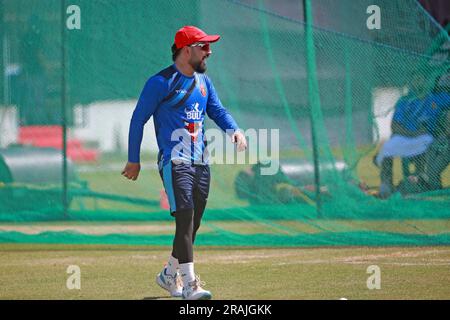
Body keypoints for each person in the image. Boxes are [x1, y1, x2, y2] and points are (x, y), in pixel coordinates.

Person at [121, 26, 247, 300]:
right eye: (204, 47)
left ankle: (168, 274)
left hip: (201, 161)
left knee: (193, 223)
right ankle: (190, 285)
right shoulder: (160, 82)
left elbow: (217, 110)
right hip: (175, 160)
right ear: (186, 50)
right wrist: (133, 160)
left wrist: (234, 129)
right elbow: (137, 119)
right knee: (186, 218)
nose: (209, 52)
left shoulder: (205, 83)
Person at [374, 74, 450, 198]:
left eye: (421, 79)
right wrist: (413, 134)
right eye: (415, 79)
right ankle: (386, 184)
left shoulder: (435, 98)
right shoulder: (404, 101)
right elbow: (395, 126)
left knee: (427, 143)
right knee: (387, 148)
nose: (418, 82)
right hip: (405, 137)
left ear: (427, 81)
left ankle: (419, 182)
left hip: (427, 138)